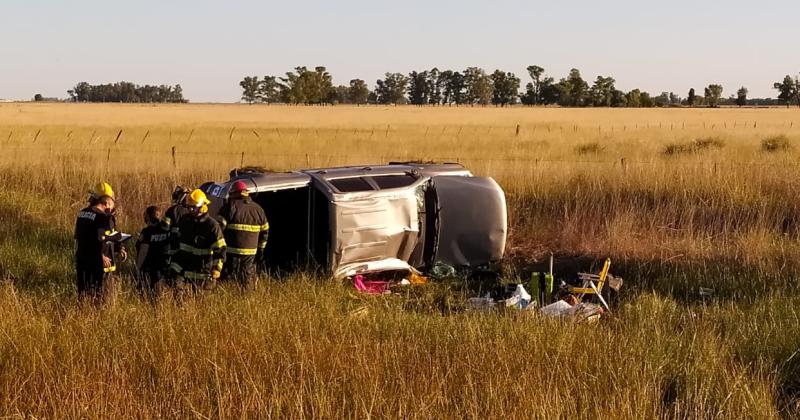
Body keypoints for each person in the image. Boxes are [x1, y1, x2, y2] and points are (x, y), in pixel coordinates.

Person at [74, 184, 127, 303]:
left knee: (83, 296)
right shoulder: (102, 217)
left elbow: (81, 238)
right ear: (107, 201)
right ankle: (100, 319)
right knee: (102, 298)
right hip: (100, 265)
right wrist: (100, 255)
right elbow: (103, 238)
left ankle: (84, 317)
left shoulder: (82, 213)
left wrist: (119, 247)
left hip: (82, 261)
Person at [169, 189, 226, 295]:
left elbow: (220, 249)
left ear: (203, 206)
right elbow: (177, 241)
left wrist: (217, 269)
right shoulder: (185, 221)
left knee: (202, 305)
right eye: (189, 207)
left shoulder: (212, 226)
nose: (190, 210)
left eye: (193, 207)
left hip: (204, 273)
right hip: (184, 270)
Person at [216, 180, 269, 287]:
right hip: (251, 252)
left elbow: (218, 230)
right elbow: (265, 232)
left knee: (229, 278)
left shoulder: (229, 207)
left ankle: (228, 296)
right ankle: (246, 297)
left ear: (234, 193)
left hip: (232, 251)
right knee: (246, 278)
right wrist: (260, 249)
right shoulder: (258, 209)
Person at [135, 206, 170, 299]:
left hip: (148, 269)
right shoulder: (166, 230)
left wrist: (137, 268)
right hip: (163, 269)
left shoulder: (147, 232)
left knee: (146, 297)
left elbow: (143, 251)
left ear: (149, 217)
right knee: (159, 297)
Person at [163, 186, 191, 260]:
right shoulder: (193, 211)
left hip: (174, 244)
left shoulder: (172, 210)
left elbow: (165, 227)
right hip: (188, 245)